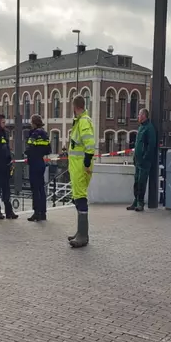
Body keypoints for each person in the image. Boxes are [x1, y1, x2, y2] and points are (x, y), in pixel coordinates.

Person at [67, 95, 96, 248]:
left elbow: (90, 143)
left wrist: (85, 163)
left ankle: (83, 236)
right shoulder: (81, 121)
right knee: (78, 197)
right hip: (78, 166)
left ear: (75, 107)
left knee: (80, 198)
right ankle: (80, 232)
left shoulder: (83, 121)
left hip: (80, 166)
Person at [127, 108, 157, 212]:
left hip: (144, 162)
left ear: (144, 116)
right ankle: (136, 201)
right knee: (136, 181)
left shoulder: (149, 128)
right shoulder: (141, 128)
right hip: (138, 161)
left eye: (139, 115)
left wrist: (145, 158)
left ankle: (140, 203)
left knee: (141, 182)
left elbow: (151, 145)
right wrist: (135, 157)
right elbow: (137, 144)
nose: (138, 117)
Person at [25, 114, 51, 222]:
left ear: (34, 123)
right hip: (41, 162)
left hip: (34, 163)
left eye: (31, 122)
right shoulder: (45, 134)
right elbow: (48, 150)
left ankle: (36, 213)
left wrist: (27, 153)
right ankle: (43, 213)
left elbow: (29, 149)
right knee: (41, 188)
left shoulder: (34, 134)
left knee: (35, 189)